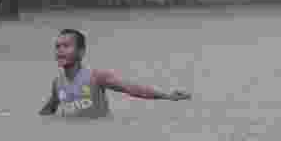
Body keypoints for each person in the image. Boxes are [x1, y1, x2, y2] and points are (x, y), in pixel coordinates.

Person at [39, 28, 192, 118]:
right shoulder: (57, 83)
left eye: (66, 46)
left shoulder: (96, 77)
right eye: (57, 47)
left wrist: (167, 96)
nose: (60, 51)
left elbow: (131, 88)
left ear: (81, 52)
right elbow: (48, 111)